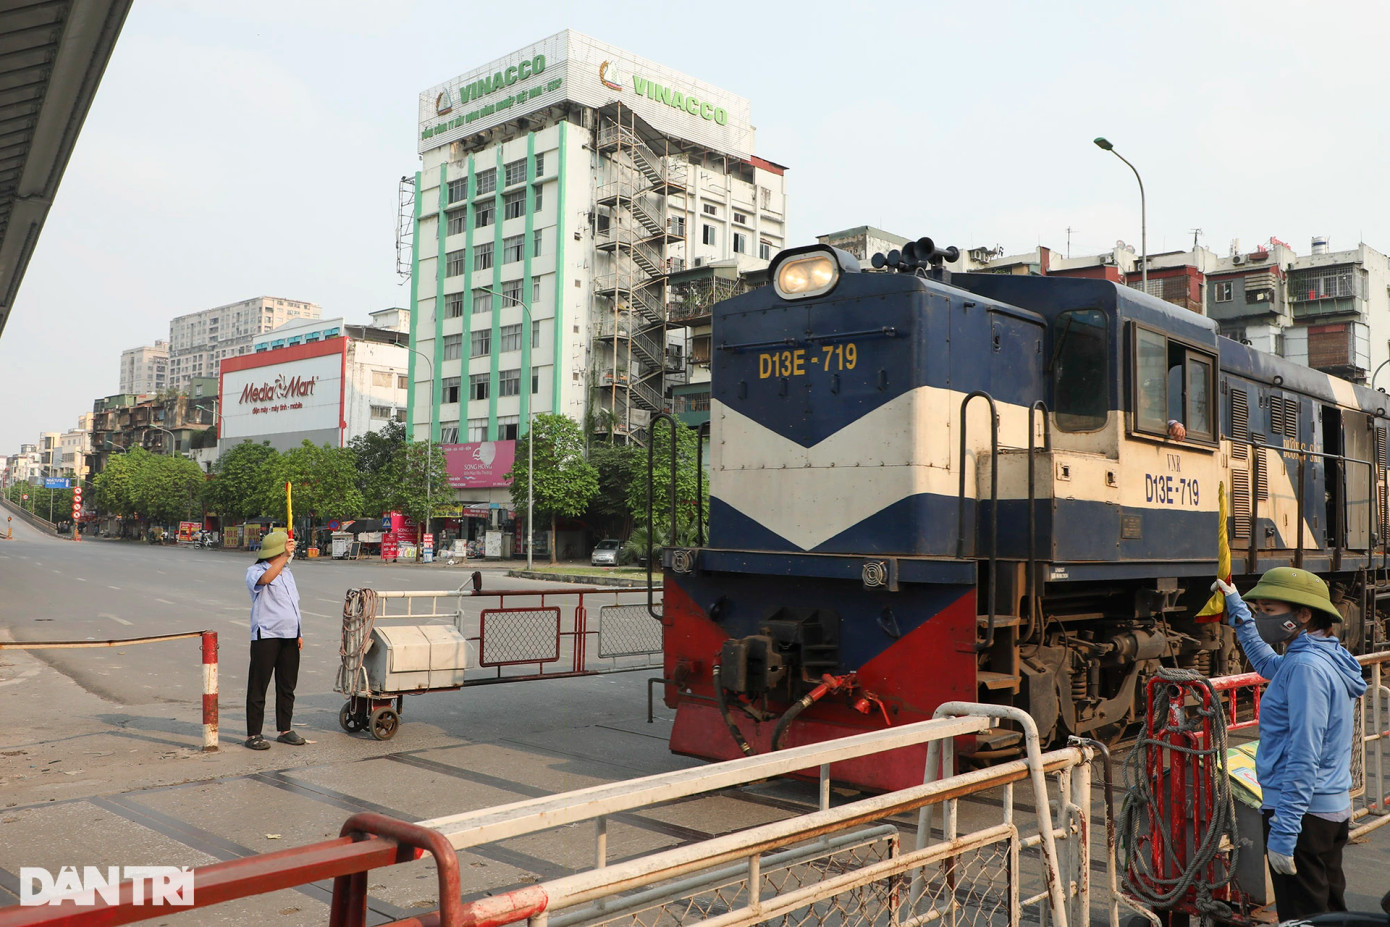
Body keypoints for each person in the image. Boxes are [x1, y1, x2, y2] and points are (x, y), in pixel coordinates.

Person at [1214, 567, 1366, 919]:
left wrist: (1284, 832)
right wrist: (1237, 609)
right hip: (1326, 810)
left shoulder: (1305, 668)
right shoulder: (1322, 655)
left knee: (1303, 919)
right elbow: (1268, 663)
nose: (1262, 618)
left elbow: (1304, 755)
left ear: (1303, 614)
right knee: (1328, 914)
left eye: (1269, 611)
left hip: (1301, 816)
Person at [244, 531, 306, 750]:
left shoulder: (288, 573)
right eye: (286, 549)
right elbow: (266, 579)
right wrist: (283, 557)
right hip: (266, 635)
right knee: (258, 686)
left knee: (287, 685)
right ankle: (253, 734)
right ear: (278, 551)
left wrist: (298, 632)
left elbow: (293, 605)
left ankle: (285, 729)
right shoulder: (255, 571)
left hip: (289, 635)